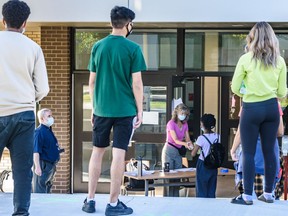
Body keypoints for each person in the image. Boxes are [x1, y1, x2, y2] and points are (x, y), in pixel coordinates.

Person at [82, 6, 146, 216]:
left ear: (111, 23)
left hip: (101, 109)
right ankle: (112, 203)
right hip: (124, 110)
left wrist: (94, 106)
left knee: (97, 152)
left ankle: (90, 200)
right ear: (128, 25)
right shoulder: (133, 49)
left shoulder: (97, 47)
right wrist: (140, 110)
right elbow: (137, 83)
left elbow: (91, 82)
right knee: (119, 154)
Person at [0, 0, 49, 215]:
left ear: (3, 21)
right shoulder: (33, 48)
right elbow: (43, 88)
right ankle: (21, 212)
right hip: (24, 115)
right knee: (22, 171)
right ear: (24, 23)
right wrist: (29, 98)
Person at [231, 22, 287, 205]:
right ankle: (269, 193)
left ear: (252, 38)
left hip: (251, 108)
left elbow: (234, 87)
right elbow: (281, 92)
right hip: (271, 108)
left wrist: (245, 93)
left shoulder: (245, 59)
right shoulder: (279, 61)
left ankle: (247, 196)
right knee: (270, 150)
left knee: (247, 152)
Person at [161, 103, 192, 197]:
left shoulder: (185, 124)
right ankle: (168, 197)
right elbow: (175, 140)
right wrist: (185, 144)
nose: (183, 115)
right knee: (169, 175)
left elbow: (187, 137)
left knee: (178, 174)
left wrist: (190, 144)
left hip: (178, 151)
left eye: (185, 114)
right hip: (169, 150)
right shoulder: (171, 123)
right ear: (177, 112)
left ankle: (176, 197)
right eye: (182, 113)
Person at [33, 108, 63, 193]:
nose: (51, 118)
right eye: (49, 116)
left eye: (51, 115)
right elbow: (36, 151)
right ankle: (39, 206)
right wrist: (38, 167)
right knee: (40, 190)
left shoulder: (48, 130)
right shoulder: (39, 132)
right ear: (42, 119)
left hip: (51, 166)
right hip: (43, 165)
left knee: (47, 189)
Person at [191, 114, 220, 198]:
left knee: (201, 188)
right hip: (214, 165)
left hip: (203, 164)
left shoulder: (201, 138)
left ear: (203, 125)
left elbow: (193, 153)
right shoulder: (218, 136)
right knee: (212, 187)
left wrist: (193, 147)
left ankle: (202, 207)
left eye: (201, 123)